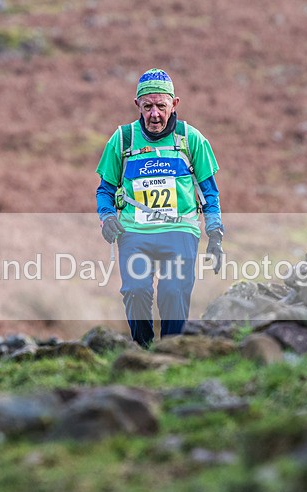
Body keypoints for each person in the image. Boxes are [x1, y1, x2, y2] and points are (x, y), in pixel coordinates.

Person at [95, 68, 225, 347]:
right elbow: (104, 191)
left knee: (173, 291)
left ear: (174, 104)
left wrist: (215, 232)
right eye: (148, 106)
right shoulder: (122, 140)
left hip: (180, 230)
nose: (154, 114)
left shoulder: (192, 140)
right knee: (136, 290)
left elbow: (210, 192)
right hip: (134, 232)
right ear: (137, 106)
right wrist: (106, 218)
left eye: (161, 106)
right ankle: (142, 351)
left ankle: (172, 351)